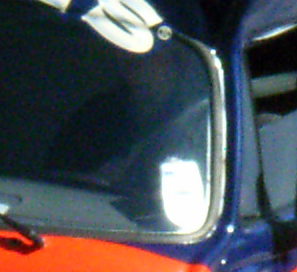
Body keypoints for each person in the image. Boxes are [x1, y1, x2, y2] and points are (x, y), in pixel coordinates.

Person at [45, 36, 209, 226]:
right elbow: (55, 181)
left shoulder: (202, 121)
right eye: (128, 55)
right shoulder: (95, 115)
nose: (133, 62)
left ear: (175, 64)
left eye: (151, 55)